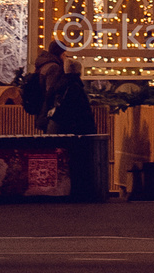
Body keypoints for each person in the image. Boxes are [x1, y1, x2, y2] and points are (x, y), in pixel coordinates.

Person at [47, 55, 101, 201]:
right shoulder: (75, 87)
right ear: (78, 72)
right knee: (78, 162)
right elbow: (81, 112)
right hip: (75, 131)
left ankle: (65, 190)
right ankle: (79, 192)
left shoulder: (59, 85)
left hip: (59, 128)